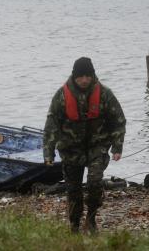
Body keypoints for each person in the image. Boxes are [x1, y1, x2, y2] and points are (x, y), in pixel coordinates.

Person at [43, 57, 126, 234]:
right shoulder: (61, 96)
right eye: (81, 76)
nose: (84, 80)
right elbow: (51, 126)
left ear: (92, 75)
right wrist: (48, 152)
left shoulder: (104, 93)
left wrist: (117, 147)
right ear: (74, 77)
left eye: (88, 76)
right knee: (73, 189)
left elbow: (118, 121)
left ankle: (91, 218)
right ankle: (74, 225)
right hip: (71, 150)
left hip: (98, 147)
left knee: (95, 182)